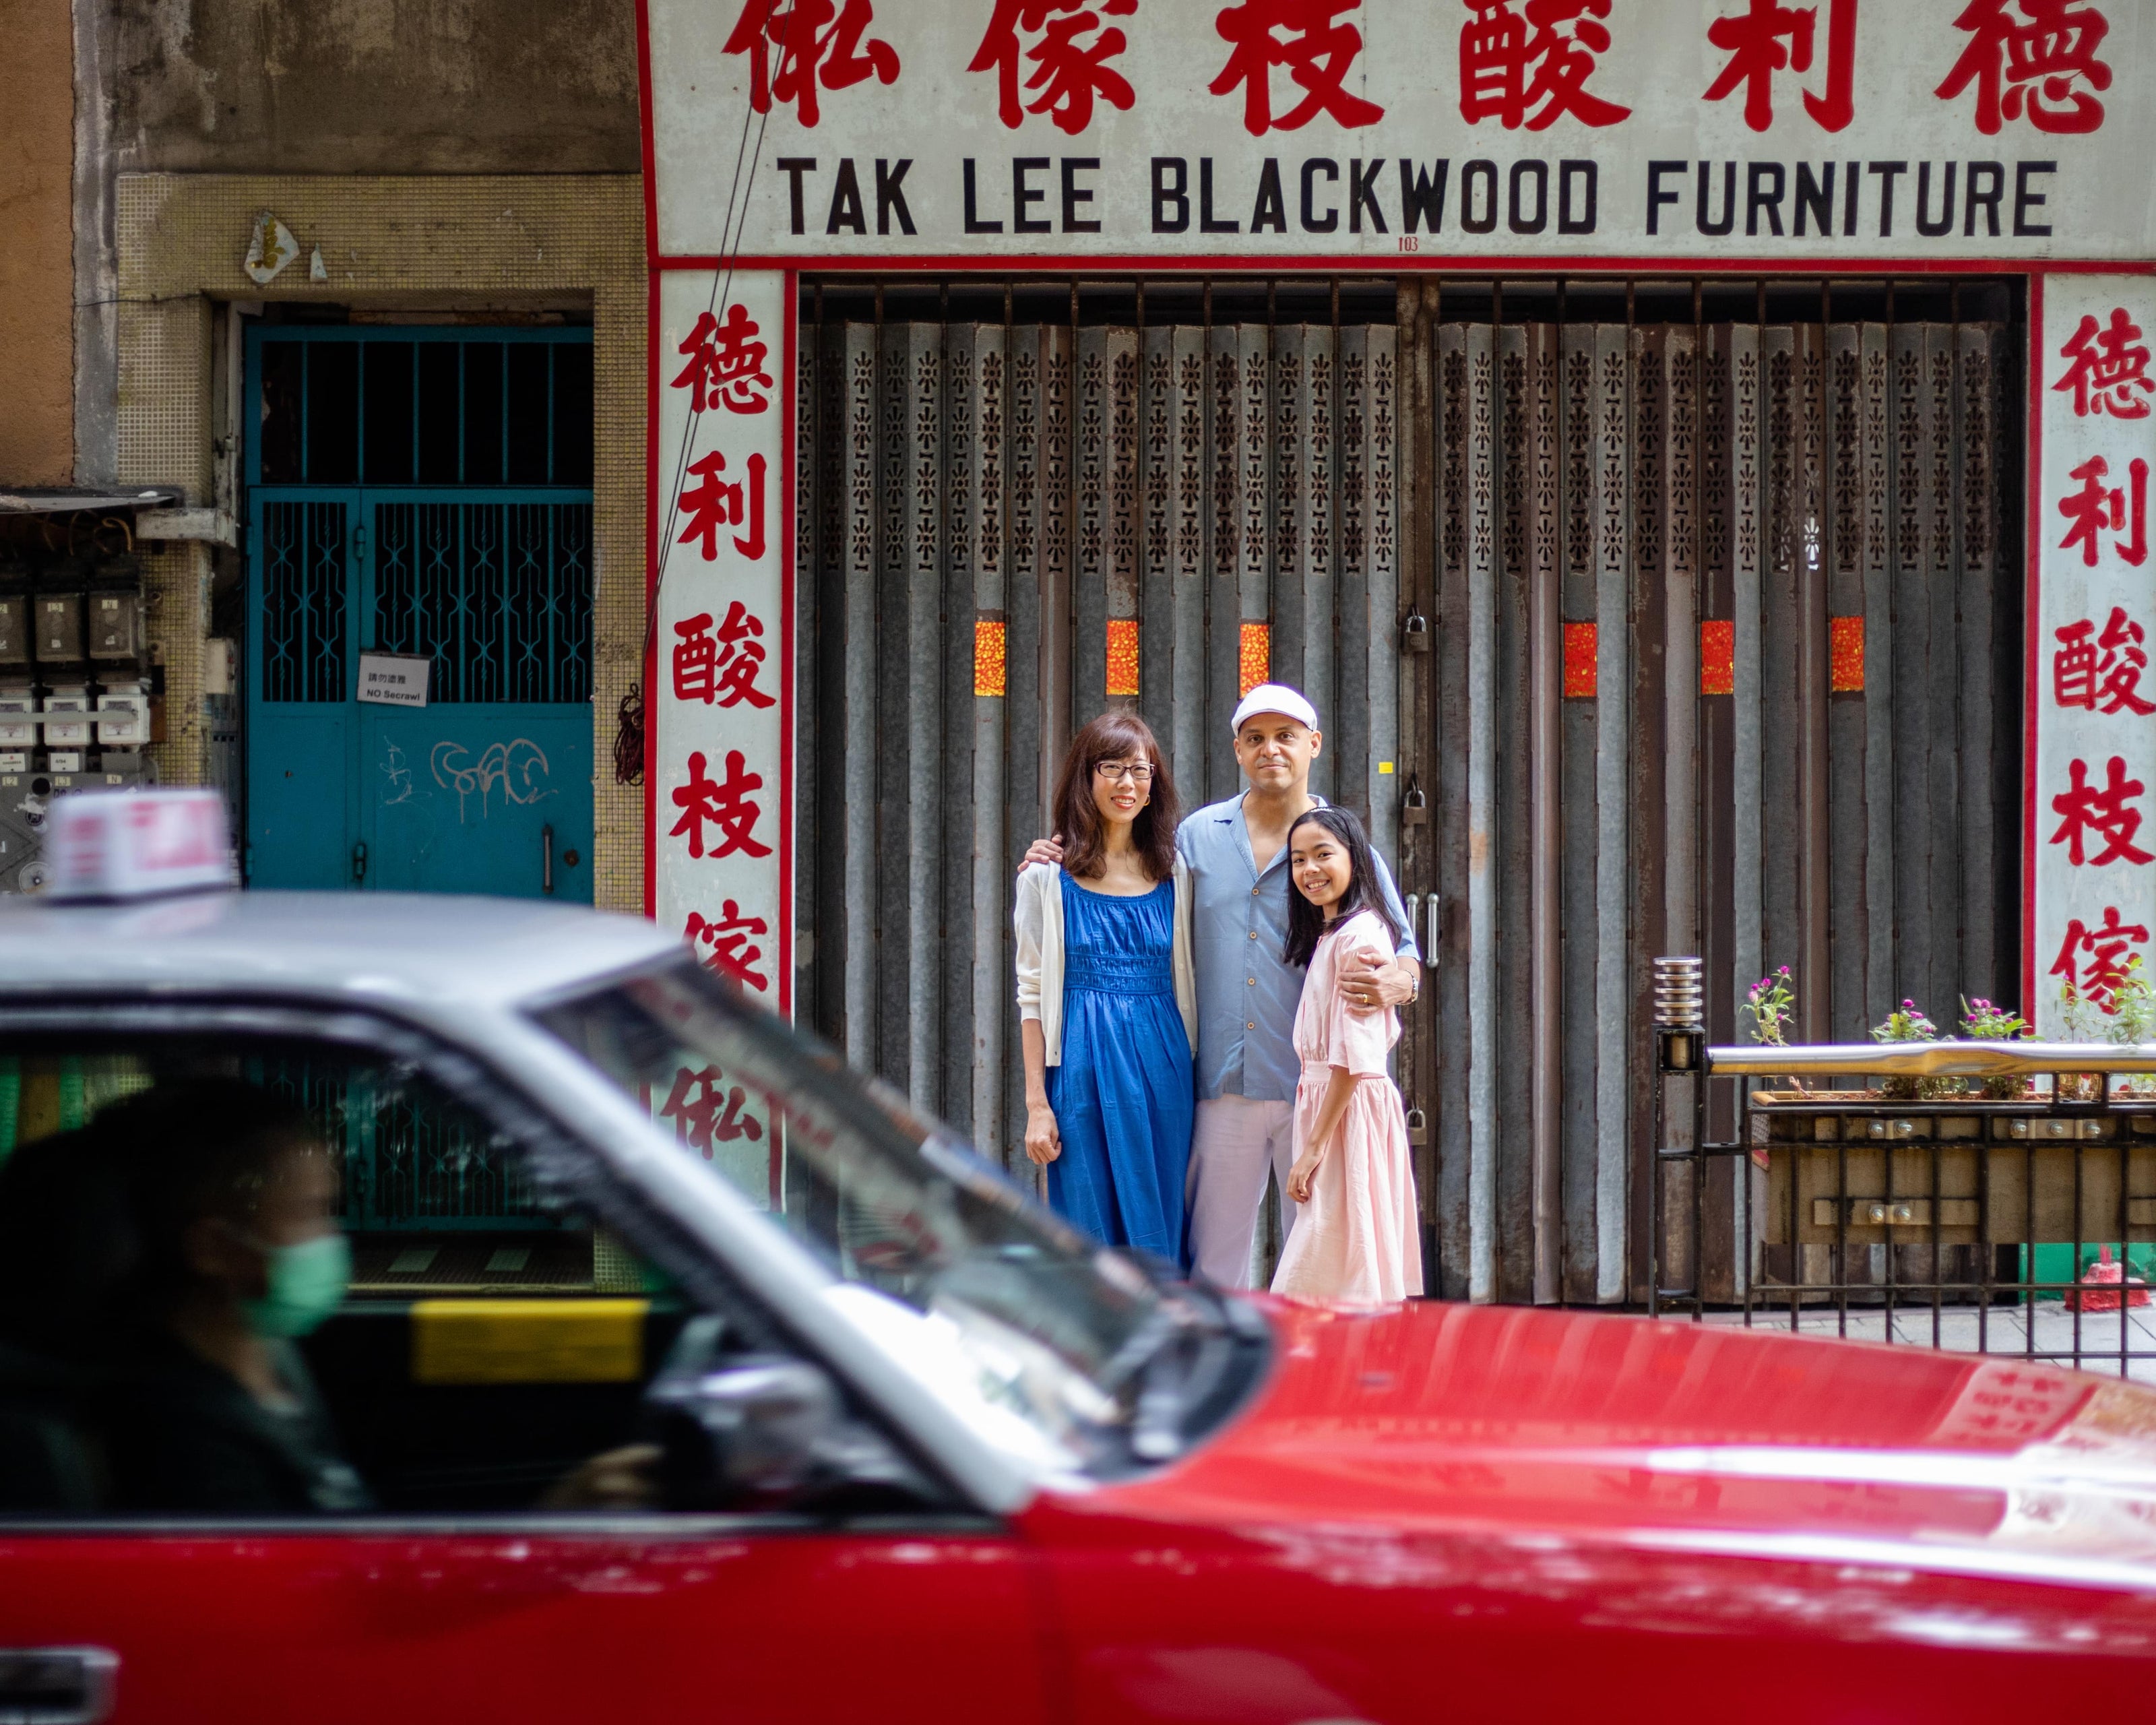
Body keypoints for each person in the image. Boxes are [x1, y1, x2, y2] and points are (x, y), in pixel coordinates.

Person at [1024, 684, 1420, 1287]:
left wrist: (1399, 982)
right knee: (1212, 1262)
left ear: (1313, 745)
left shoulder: (1339, 845)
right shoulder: (1193, 839)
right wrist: (1057, 852)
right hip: (1218, 1086)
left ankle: (1309, 1376)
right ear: (1237, 749)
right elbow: (1120, 862)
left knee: (1322, 1256)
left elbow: (1404, 949)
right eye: (1256, 738)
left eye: (1286, 737)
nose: (1271, 750)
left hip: (1308, 1090)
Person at [1015, 712, 1197, 1266]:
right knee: (1085, 1217)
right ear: (1085, 778)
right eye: (1111, 768)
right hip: (1079, 1066)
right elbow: (1030, 994)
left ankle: (1163, 1339)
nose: (1126, 784)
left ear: (1154, 784)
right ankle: (1090, 1346)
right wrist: (1036, 1105)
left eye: (1139, 771)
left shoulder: (1176, 871)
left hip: (1163, 1065)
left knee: (1159, 1213)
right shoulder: (1045, 877)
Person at [1270, 806, 1423, 1304]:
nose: (1309, 870)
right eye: (1298, 861)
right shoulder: (1333, 933)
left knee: (1328, 1262)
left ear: (1355, 859)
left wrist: (1312, 1147)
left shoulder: (1359, 939)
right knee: (1340, 1256)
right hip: (1335, 1107)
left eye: (1323, 855)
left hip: (1345, 1112)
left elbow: (1352, 1059)